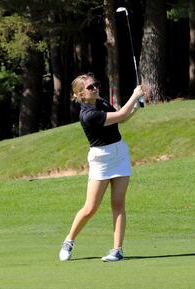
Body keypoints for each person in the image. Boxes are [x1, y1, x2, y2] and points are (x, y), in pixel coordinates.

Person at [59, 73, 144, 262]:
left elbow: (121, 119)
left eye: (96, 85)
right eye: (90, 87)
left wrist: (137, 106)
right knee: (90, 208)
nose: (95, 88)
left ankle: (117, 250)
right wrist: (134, 95)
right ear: (81, 94)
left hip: (120, 154)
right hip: (101, 160)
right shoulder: (87, 115)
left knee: (118, 204)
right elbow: (121, 114)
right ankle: (69, 240)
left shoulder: (102, 102)